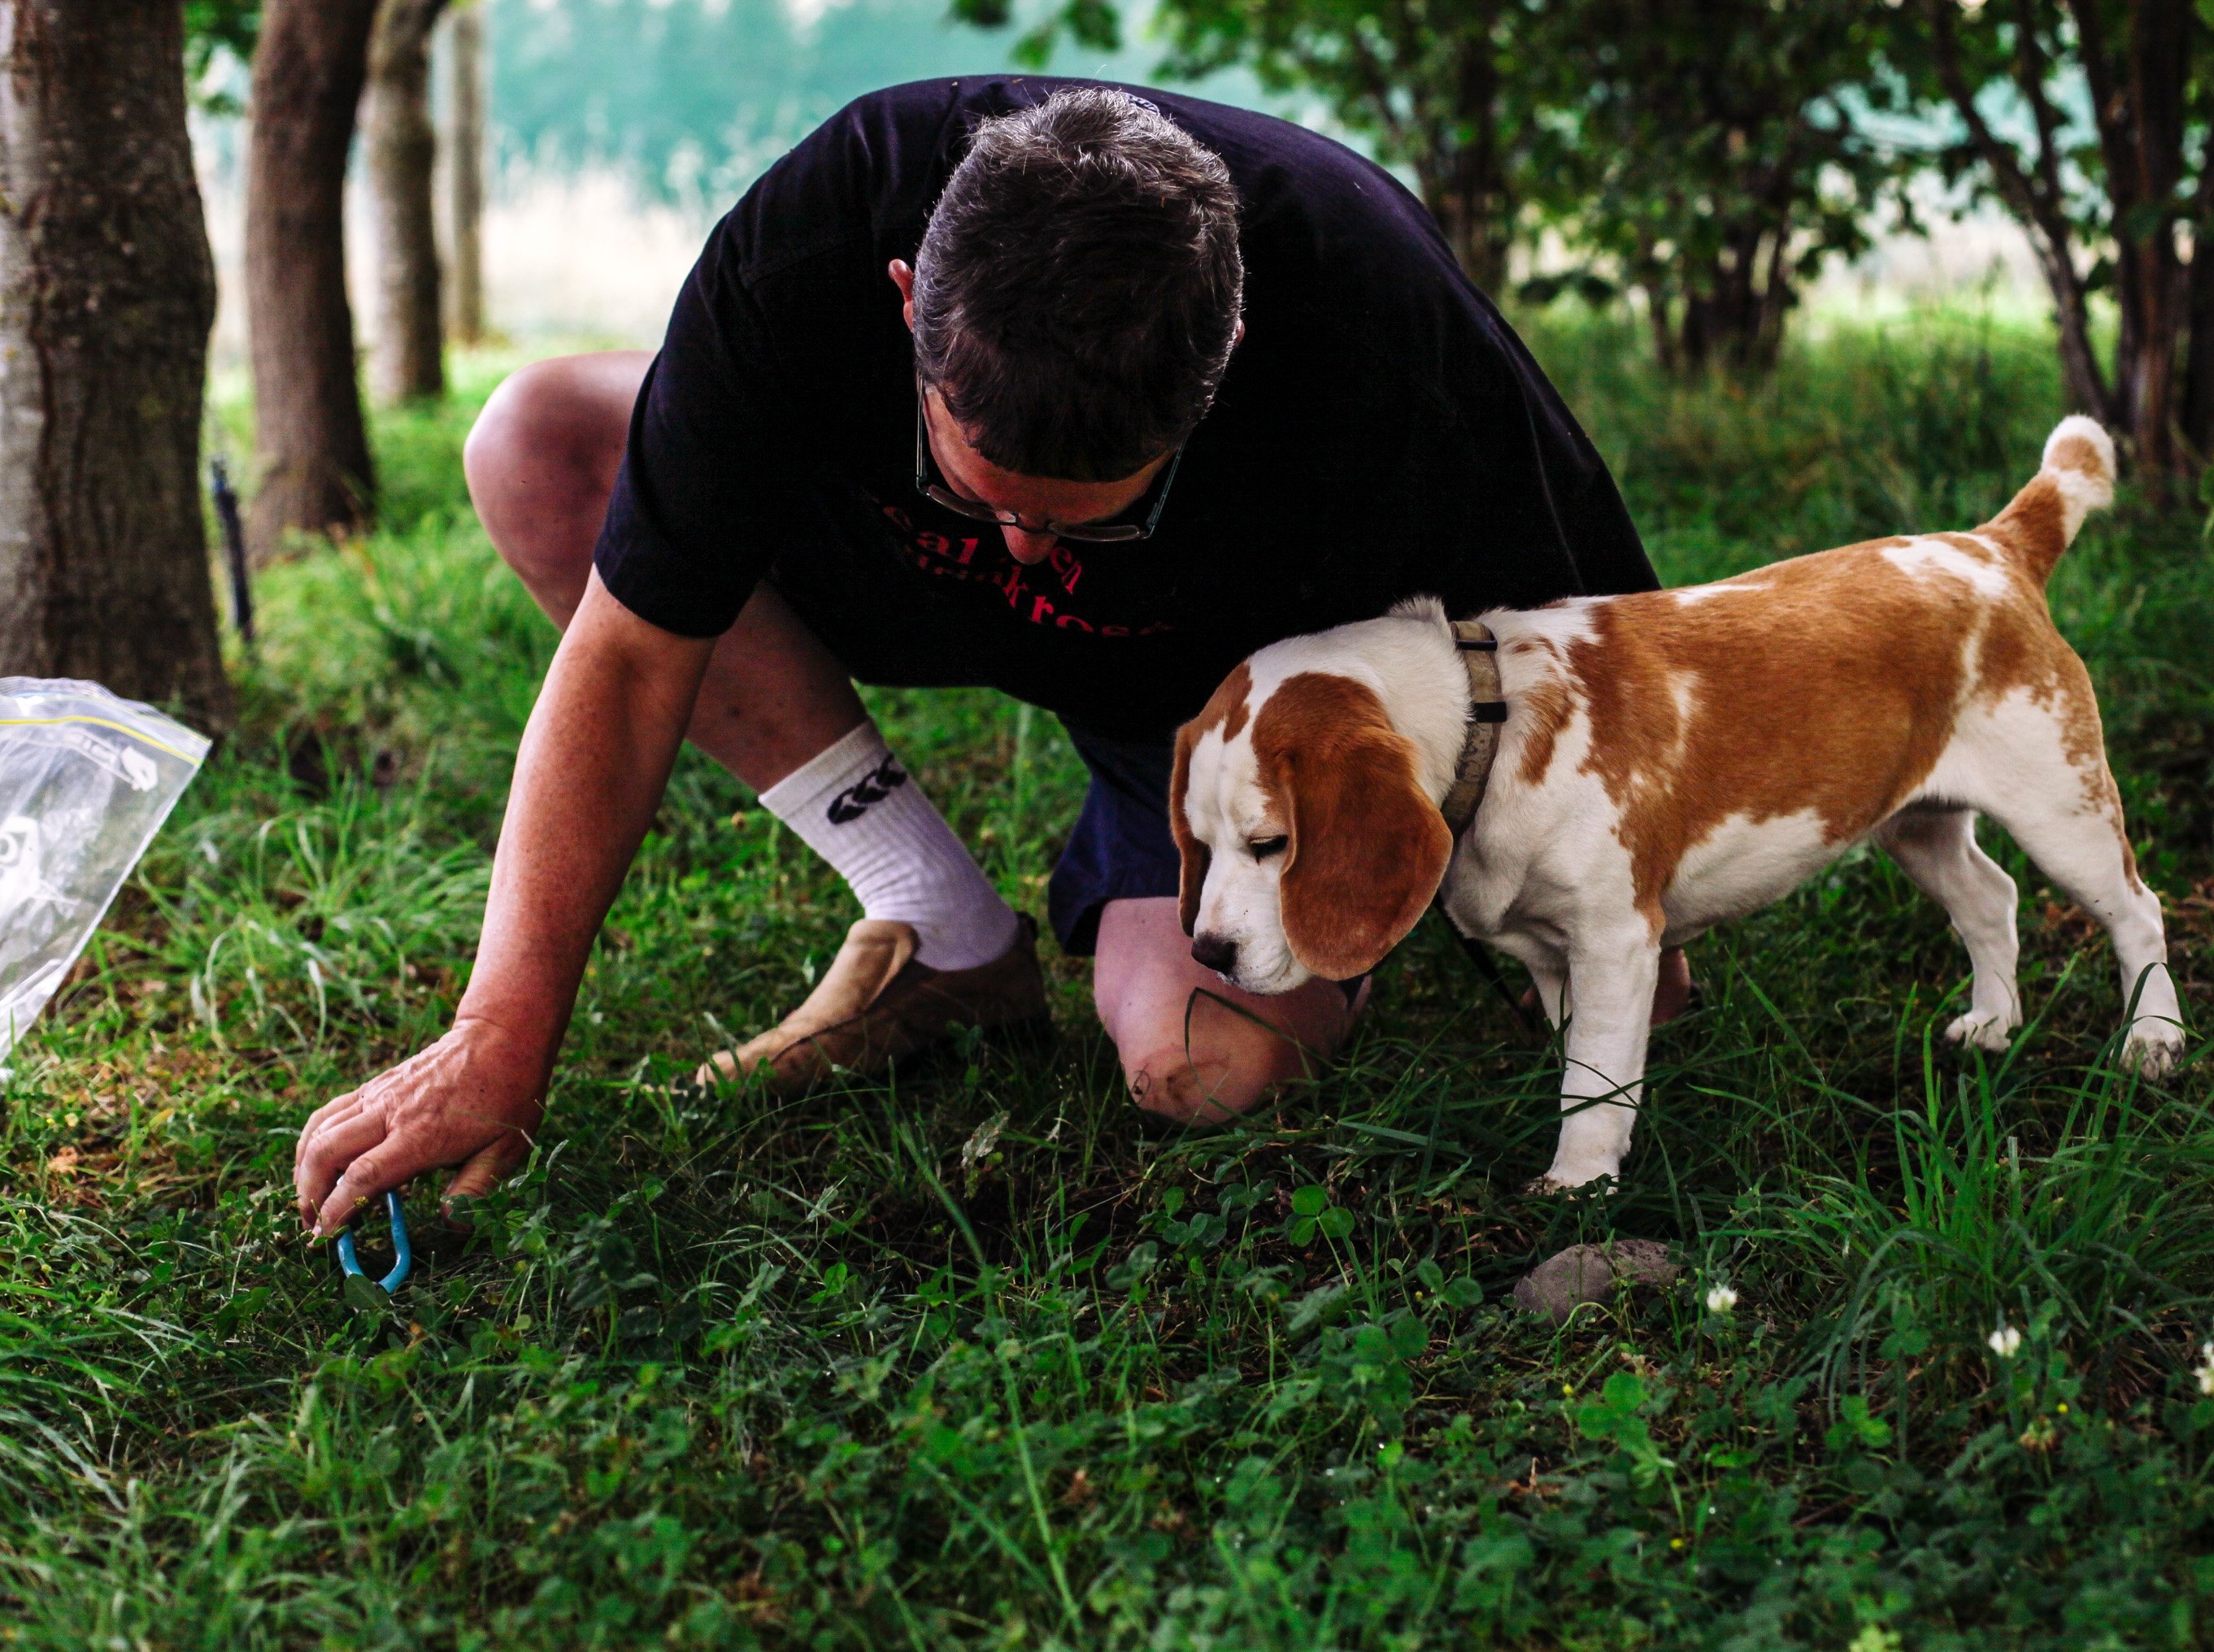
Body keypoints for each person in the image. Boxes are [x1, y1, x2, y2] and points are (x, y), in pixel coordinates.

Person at [295, 78, 1684, 1241]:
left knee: (1202, 1067)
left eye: (1093, 510)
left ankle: (1178, 876)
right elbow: (631, 652)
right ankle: (940, 928)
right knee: (539, 440)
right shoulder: (817, 229)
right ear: (907, 302)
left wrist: (1601, 915)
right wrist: (499, 1036)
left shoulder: (1376, 314)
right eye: (985, 492)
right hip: (887, 571)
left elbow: (1620, 662)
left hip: (1219, 712)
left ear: (1230, 357)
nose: (1028, 551)